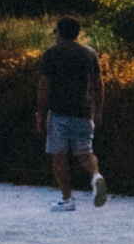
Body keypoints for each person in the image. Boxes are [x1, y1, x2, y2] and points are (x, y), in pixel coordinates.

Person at [34, 16, 107, 211]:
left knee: (58, 155)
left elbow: (44, 86)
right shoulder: (89, 54)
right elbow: (99, 84)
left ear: (59, 32)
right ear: (77, 33)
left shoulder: (51, 54)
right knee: (85, 153)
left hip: (59, 113)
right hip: (85, 112)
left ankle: (67, 199)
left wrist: (40, 114)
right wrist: (98, 110)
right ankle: (96, 176)